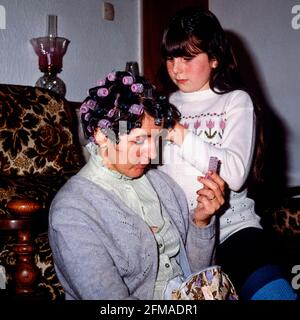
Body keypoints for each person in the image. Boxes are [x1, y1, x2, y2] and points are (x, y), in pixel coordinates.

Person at [48, 70, 231, 300]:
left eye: (156, 139)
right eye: (139, 140)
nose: (152, 153)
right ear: (102, 135)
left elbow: (197, 279)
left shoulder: (163, 186)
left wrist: (201, 221)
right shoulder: (72, 210)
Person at [158, 7, 298, 300]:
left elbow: (234, 174)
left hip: (232, 229)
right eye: (171, 58)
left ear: (214, 59)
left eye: (187, 58)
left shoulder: (236, 101)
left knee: (276, 295)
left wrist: (177, 132)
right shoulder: (164, 104)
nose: (176, 69)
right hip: (176, 238)